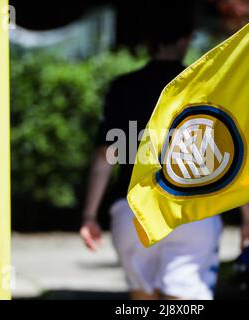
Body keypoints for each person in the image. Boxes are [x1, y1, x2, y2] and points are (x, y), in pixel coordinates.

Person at [79, 12, 224, 300]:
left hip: (134, 210)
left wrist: (89, 215)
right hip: (193, 207)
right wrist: (248, 217)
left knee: (142, 298)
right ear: (184, 41)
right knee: (184, 299)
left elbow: (105, 156)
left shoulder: (123, 87)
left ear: (149, 44)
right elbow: (226, 154)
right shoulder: (203, 85)